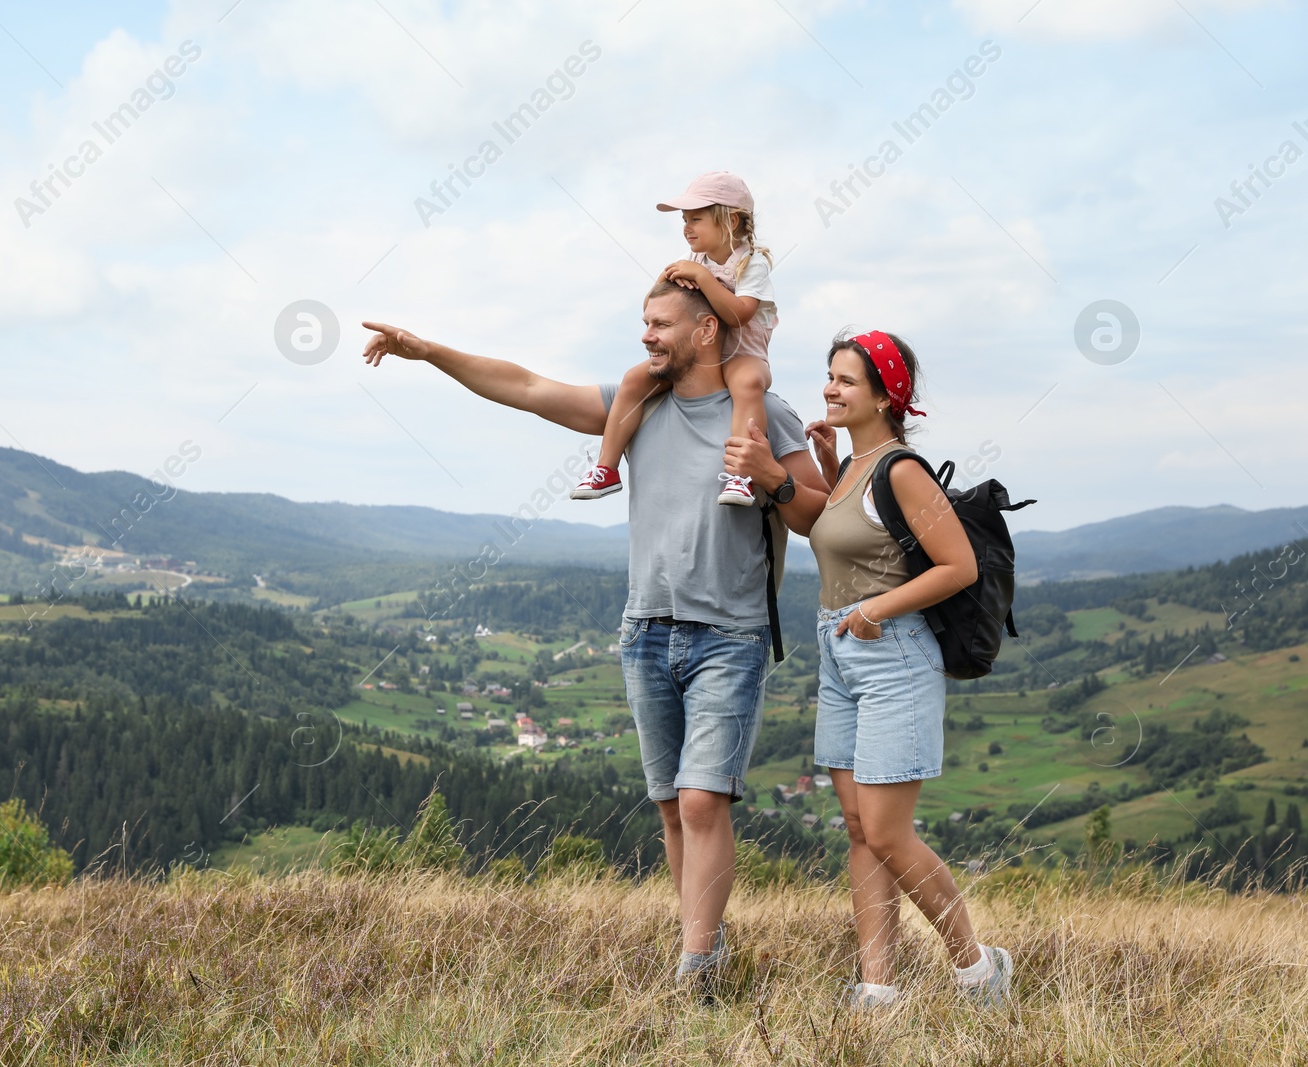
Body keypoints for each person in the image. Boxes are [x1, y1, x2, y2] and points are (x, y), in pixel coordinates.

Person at [362, 280, 825, 997]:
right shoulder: (637, 404)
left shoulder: (769, 413)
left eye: (660, 324)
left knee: (703, 802)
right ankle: (702, 942)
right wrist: (429, 353)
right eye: (644, 322)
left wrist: (772, 479)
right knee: (673, 806)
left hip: (730, 634)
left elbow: (816, 515)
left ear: (706, 331)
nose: (646, 336)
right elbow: (525, 387)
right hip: (645, 630)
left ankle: (696, 971)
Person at [723, 328, 1014, 1011]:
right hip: (840, 654)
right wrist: (800, 474)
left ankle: (977, 967)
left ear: (887, 395)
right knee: (858, 829)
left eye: (846, 379)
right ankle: (878, 986)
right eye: (829, 375)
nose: (830, 387)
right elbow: (823, 528)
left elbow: (958, 566)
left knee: (886, 830)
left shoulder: (901, 470)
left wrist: (876, 606)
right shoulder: (852, 466)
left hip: (892, 657)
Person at [570, 172, 778, 507]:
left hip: (743, 353)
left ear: (732, 220)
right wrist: (663, 280)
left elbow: (740, 315)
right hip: (698, 357)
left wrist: (703, 279)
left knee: (749, 384)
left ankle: (742, 475)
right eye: (684, 220)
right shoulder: (694, 262)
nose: (686, 227)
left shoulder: (750, 264)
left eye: (696, 219)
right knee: (633, 379)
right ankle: (606, 468)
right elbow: (653, 304)